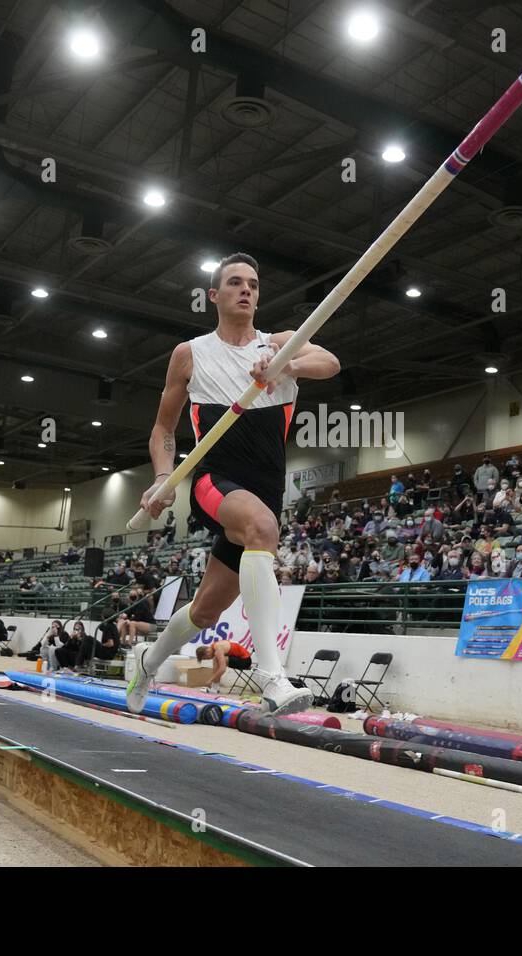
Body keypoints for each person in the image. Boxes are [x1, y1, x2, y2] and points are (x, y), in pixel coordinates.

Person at [126, 253, 340, 717]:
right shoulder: (191, 354)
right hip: (214, 479)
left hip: (266, 486)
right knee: (262, 527)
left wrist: (288, 368)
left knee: (205, 611)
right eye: (236, 283)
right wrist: (164, 477)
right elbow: (163, 429)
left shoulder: (281, 344)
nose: (247, 290)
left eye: (254, 285)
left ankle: (149, 659)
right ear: (214, 296)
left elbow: (330, 361)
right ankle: (271, 675)